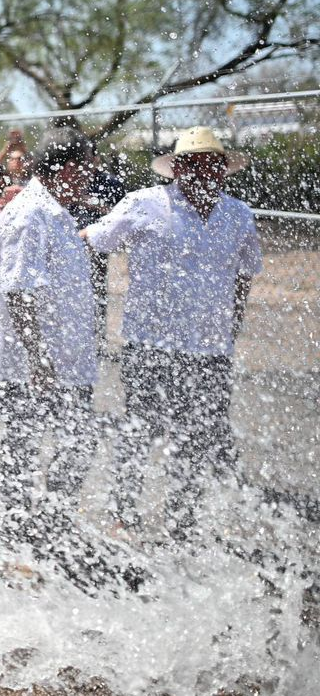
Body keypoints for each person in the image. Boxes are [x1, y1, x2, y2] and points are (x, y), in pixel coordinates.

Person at [84, 127, 261, 538]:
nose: (203, 173)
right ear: (176, 168)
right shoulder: (146, 203)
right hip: (150, 344)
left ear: (223, 171)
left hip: (210, 349)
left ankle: (183, 521)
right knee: (139, 432)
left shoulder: (238, 214)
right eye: (194, 164)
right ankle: (123, 515)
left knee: (198, 438)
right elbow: (93, 239)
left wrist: (232, 326)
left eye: (212, 165)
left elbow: (245, 273)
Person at [0, 127, 101, 540]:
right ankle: (19, 530)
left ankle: (51, 526)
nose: (92, 175)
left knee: (73, 443)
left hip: (63, 357)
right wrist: (39, 358)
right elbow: (19, 292)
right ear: (68, 169)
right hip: (36, 362)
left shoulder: (52, 209)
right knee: (26, 445)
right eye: (87, 167)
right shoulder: (31, 212)